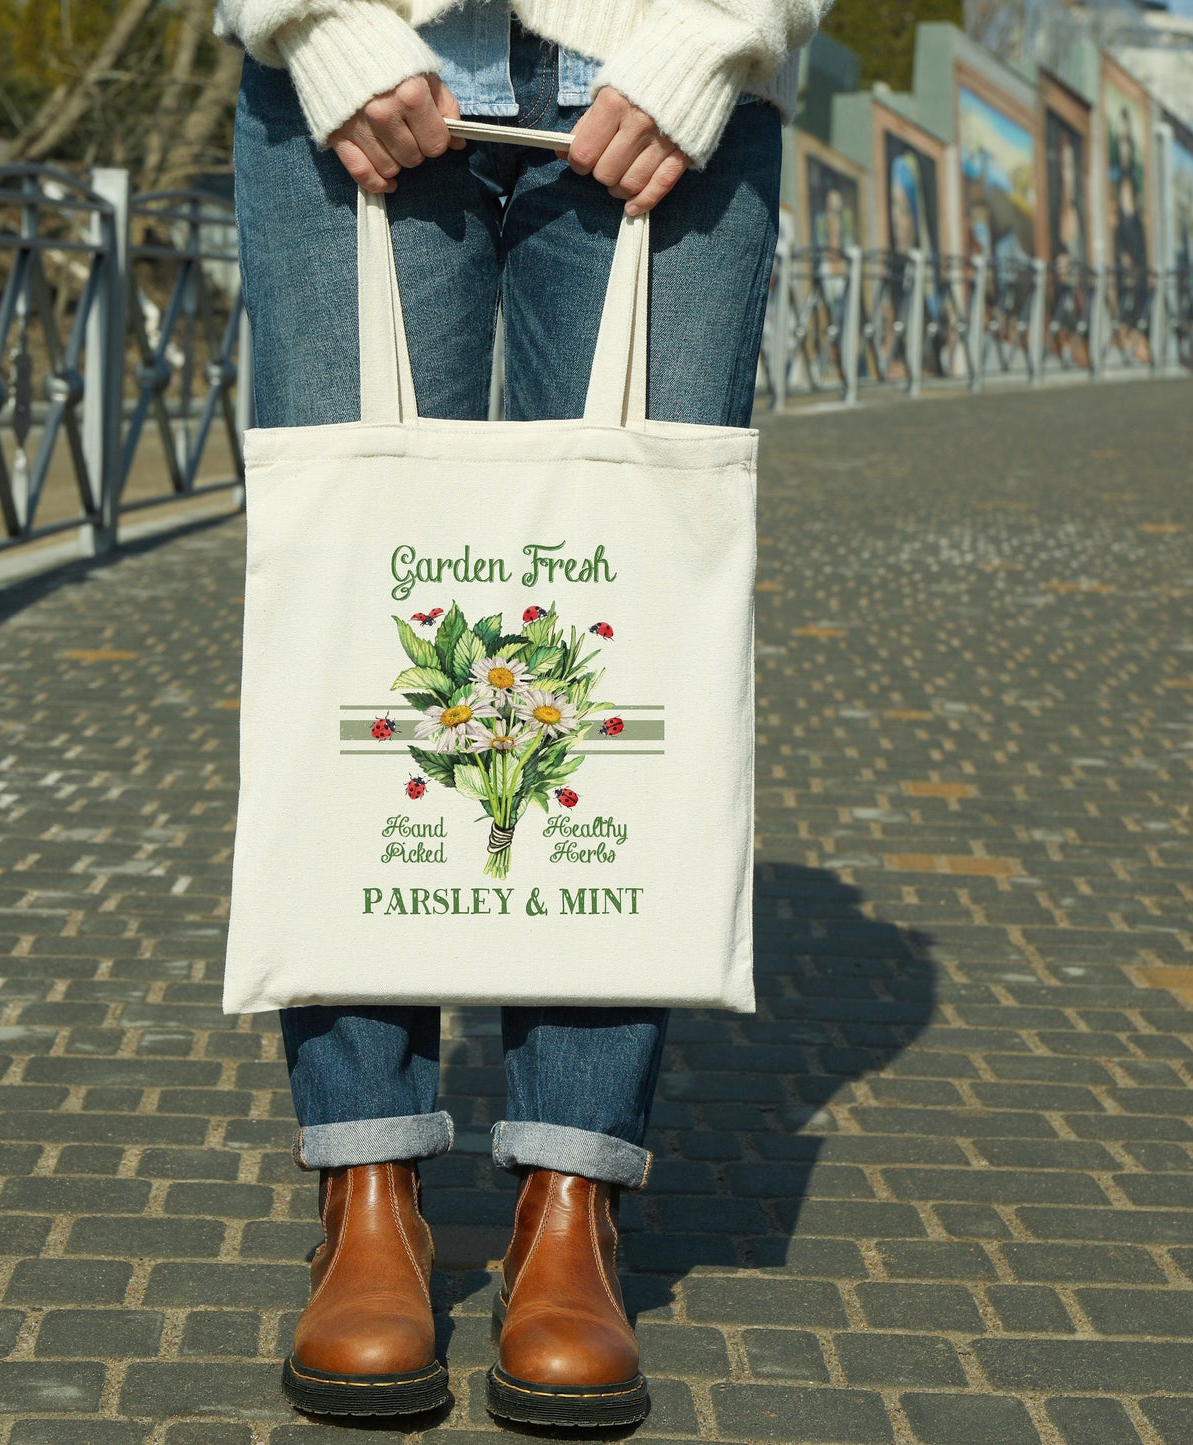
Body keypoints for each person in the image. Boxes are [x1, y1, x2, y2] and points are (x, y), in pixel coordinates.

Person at [216, 0, 833, 1427]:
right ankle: (364, 1188)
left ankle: (576, 1198)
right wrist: (307, 23)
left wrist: (718, 35)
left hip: (667, 71)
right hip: (349, 60)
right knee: (353, 624)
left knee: (622, 645)